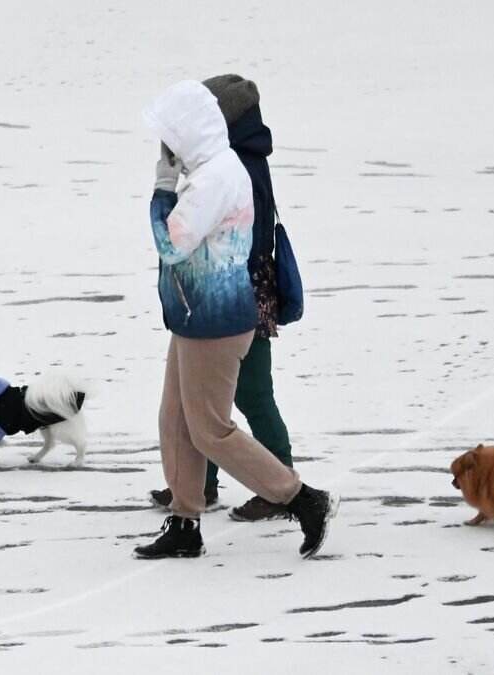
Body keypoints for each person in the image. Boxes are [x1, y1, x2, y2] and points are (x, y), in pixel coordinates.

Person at [134, 80, 337, 560]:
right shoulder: (213, 169)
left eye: (169, 138)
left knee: (210, 429)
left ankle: (302, 499)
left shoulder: (216, 179)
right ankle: (185, 523)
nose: (165, 149)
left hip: (216, 322)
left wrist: (162, 190)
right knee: (177, 420)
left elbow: (172, 244)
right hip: (192, 314)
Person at [148, 74, 295, 522]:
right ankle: (201, 487)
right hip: (235, 296)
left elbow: (209, 240)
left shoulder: (236, 166)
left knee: (250, 395)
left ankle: (285, 485)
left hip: (239, 297)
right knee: (207, 402)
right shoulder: (235, 159)